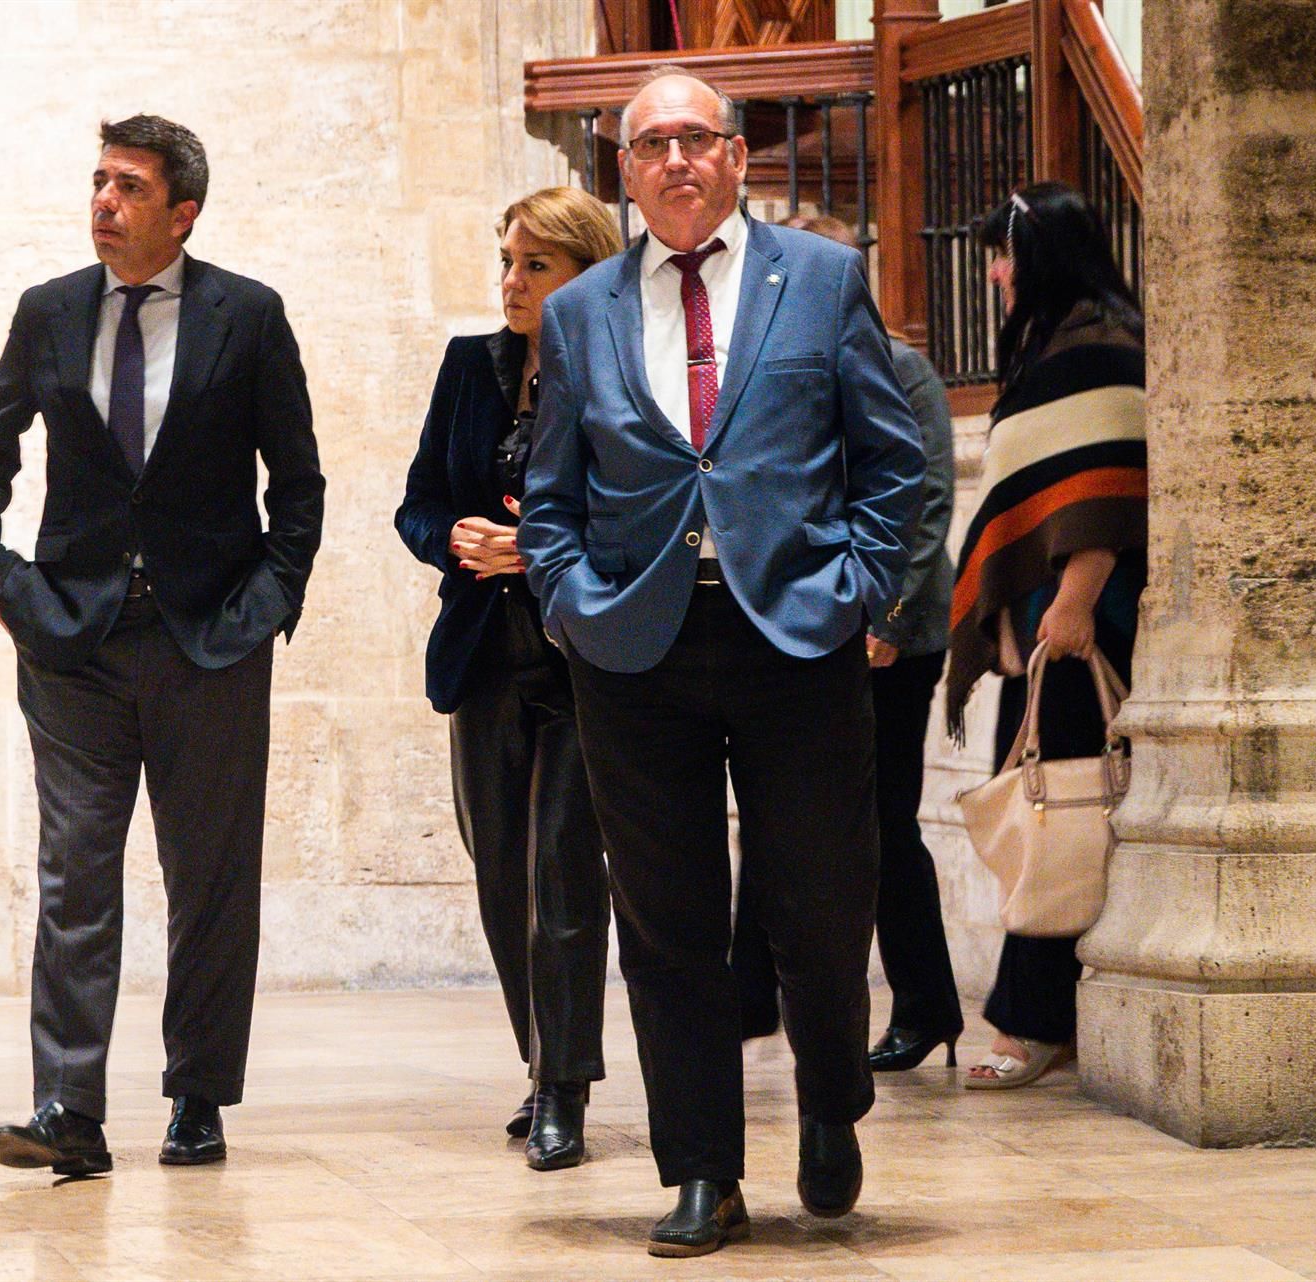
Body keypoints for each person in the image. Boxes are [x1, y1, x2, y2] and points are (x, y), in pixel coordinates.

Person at [519, 68, 924, 1257]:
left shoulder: (825, 280)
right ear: (627, 171)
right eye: (654, 145)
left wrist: (858, 588)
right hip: (637, 650)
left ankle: (832, 1099)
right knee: (665, 922)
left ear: (738, 159)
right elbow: (552, 495)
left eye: (699, 139)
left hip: (795, 635)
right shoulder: (581, 310)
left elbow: (892, 463)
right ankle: (701, 1168)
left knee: (820, 896)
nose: (679, 160)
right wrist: (570, 604)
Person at [0, 115, 324, 1174]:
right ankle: (68, 1107)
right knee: (75, 874)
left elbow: (296, 484)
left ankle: (199, 1095)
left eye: (127, 187)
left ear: (183, 211)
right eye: (97, 182)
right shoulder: (51, 311)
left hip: (209, 637)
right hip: (72, 641)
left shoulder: (246, 317)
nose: (103, 202)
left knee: (209, 874)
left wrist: (270, 600)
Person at [395, 187, 623, 1172]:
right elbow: (417, 504)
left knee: (565, 877)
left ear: (585, 273)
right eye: (506, 261)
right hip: (485, 654)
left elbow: (644, 514)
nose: (512, 282)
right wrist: (453, 537)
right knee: (499, 878)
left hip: (583, 662)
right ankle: (540, 1063)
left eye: (535, 264)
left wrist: (533, 547)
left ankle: (566, 1089)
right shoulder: (469, 365)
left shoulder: (623, 369)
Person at [731, 213, 965, 1072]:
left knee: (882, 825)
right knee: (769, 818)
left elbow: (924, 502)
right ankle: (749, 998)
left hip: (888, 632)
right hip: (802, 622)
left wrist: (884, 621)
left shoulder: (905, 370)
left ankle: (926, 1002)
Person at [944, 180, 1147, 1090]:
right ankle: (1052, 1014)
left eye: (1004, 253)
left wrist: (1070, 601)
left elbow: (1111, 488)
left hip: (1083, 625)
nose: (994, 271)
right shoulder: (1060, 341)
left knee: (1058, 814)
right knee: (1043, 814)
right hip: (1048, 627)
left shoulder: (1101, 341)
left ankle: (1030, 1022)